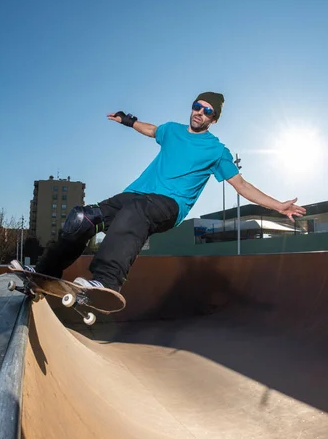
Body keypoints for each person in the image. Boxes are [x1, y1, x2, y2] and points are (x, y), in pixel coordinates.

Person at [31, 91, 306, 292]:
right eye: (198, 106)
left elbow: (242, 185)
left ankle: (105, 282)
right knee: (83, 218)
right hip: (135, 193)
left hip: (168, 205)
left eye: (207, 111)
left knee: (134, 214)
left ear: (214, 120)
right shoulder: (172, 130)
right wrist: (128, 120)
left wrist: (278, 206)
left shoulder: (217, 150)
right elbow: (151, 130)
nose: (200, 112)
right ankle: (45, 273)